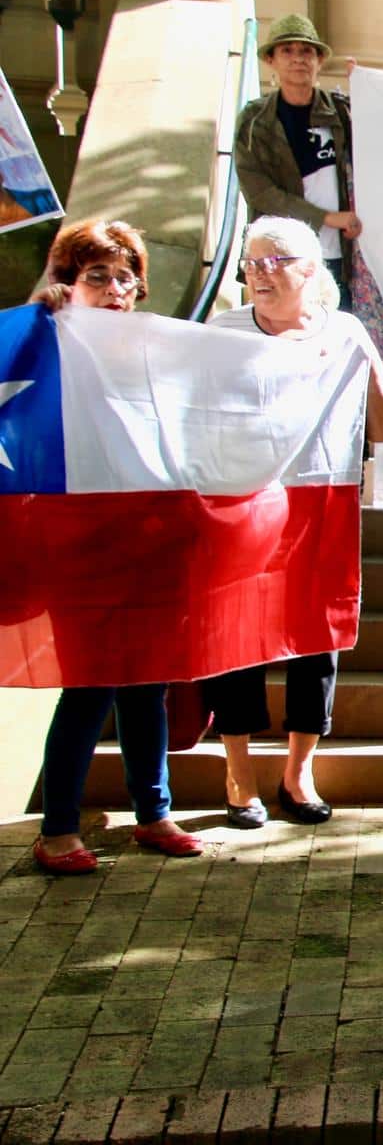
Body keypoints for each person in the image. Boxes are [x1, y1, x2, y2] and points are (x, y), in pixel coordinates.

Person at [201, 216, 383, 830]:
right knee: (237, 634)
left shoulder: (344, 331)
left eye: (276, 260)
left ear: (311, 270)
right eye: (251, 261)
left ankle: (298, 771)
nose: (260, 273)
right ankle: (238, 771)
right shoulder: (221, 332)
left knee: (317, 637)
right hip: (241, 504)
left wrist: (365, 365)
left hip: (319, 503)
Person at [26, 221, 204, 873]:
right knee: (90, 685)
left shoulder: (150, 349)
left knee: (144, 685)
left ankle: (153, 814)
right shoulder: (47, 341)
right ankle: (57, 830)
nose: (116, 288)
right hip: (80, 544)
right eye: (98, 274)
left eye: (126, 276)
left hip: (148, 537)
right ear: (67, 281)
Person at [234, 14, 358, 288]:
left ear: (319, 60)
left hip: (342, 255)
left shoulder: (341, 111)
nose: (298, 58)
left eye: (306, 51)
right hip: (282, 258)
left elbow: (382, 154)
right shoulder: (255, 121)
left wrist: (367, 91)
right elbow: (260, 192)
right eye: (287, 50)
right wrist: (326, 218)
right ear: (271, 60)